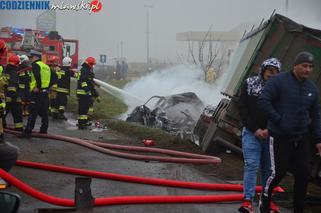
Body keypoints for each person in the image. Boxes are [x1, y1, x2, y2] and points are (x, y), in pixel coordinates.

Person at [258, 52, 321, 213]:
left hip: (301, 137)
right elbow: (264, 101)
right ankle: (264, 199)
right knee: (278, 172)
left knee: (304, 173)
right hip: (279, 135)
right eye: (304, 66)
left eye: (310, 67)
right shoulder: (279, 81)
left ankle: (298, 209)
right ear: (296, 65)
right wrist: (278, 119)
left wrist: (319, 139)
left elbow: (315, 115)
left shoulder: (312, 89)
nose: (308, 70)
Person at [238, 58, 281, 213]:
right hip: (251, 133)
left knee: (269, 170)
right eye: (270, 71)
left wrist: (269, 130)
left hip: (270, 135)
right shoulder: (249, 84)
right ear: (263, 70)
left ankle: (266, 201)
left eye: (276, 72)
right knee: (251, 165)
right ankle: (247, 201)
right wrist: (255, 129)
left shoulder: (279, 89)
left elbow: (280, 113)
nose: (272, 74)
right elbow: (242, 108)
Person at [22, 50, 57, 138]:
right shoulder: (46, 66)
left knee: (33, 112)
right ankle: (43, 130)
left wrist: (39, 87)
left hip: (37, 93)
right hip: (45, 93)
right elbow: (55, 77)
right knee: (44, 113)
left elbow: (37, 76)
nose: (30, 59)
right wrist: (47, 86)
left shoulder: (35, 65)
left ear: (36, 57)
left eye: (31, 57)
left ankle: (28, 132)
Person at [0, 39, 19, 174]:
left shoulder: (5, 69)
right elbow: (10, 84)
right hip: (9, 96)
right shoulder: (10, 70)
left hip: (5, 96)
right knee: (11, 153)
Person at [3, 55, 24, 132]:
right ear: (16, 63)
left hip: (4, 96)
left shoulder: (5, 70)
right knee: (17, 113)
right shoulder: (13, 71)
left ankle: (2, 126)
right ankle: (19, 128)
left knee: (3, 113)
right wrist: (14, 95)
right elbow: (12, 85)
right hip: (13, 97)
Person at [76, 57, 98, 129]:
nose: (93, 66)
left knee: (84, 108)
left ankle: (83, 122)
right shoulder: (85, 71)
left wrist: (94, 93)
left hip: (82, 93)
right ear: (89, 64)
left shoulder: (84, 70)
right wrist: (87, 90)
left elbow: (88, 82)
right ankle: (82, 123)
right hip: (83, 93)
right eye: (92, 64)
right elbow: (84, 82)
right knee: (83, 108)